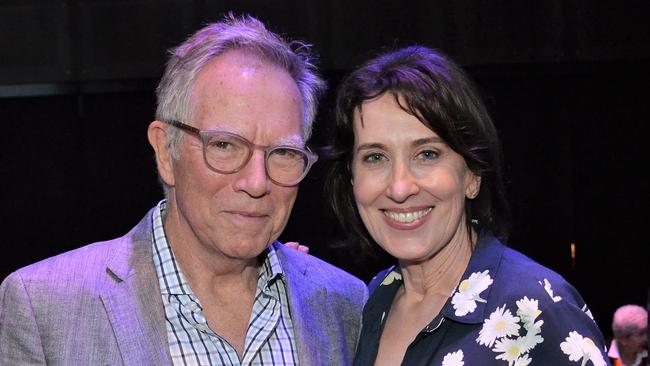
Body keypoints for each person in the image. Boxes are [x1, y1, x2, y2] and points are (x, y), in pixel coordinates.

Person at [0, 14, 367, 365]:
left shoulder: (344, 304)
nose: (257, 183)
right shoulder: (46, 307)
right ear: (165, 151)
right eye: (224, 145)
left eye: (283, 152)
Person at [326, 45, 610, 365]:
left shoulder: (538, 310)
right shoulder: (372, 301)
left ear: (472, 174)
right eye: (375, 157)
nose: (400, 187)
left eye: (427, 154)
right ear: (352, 179)